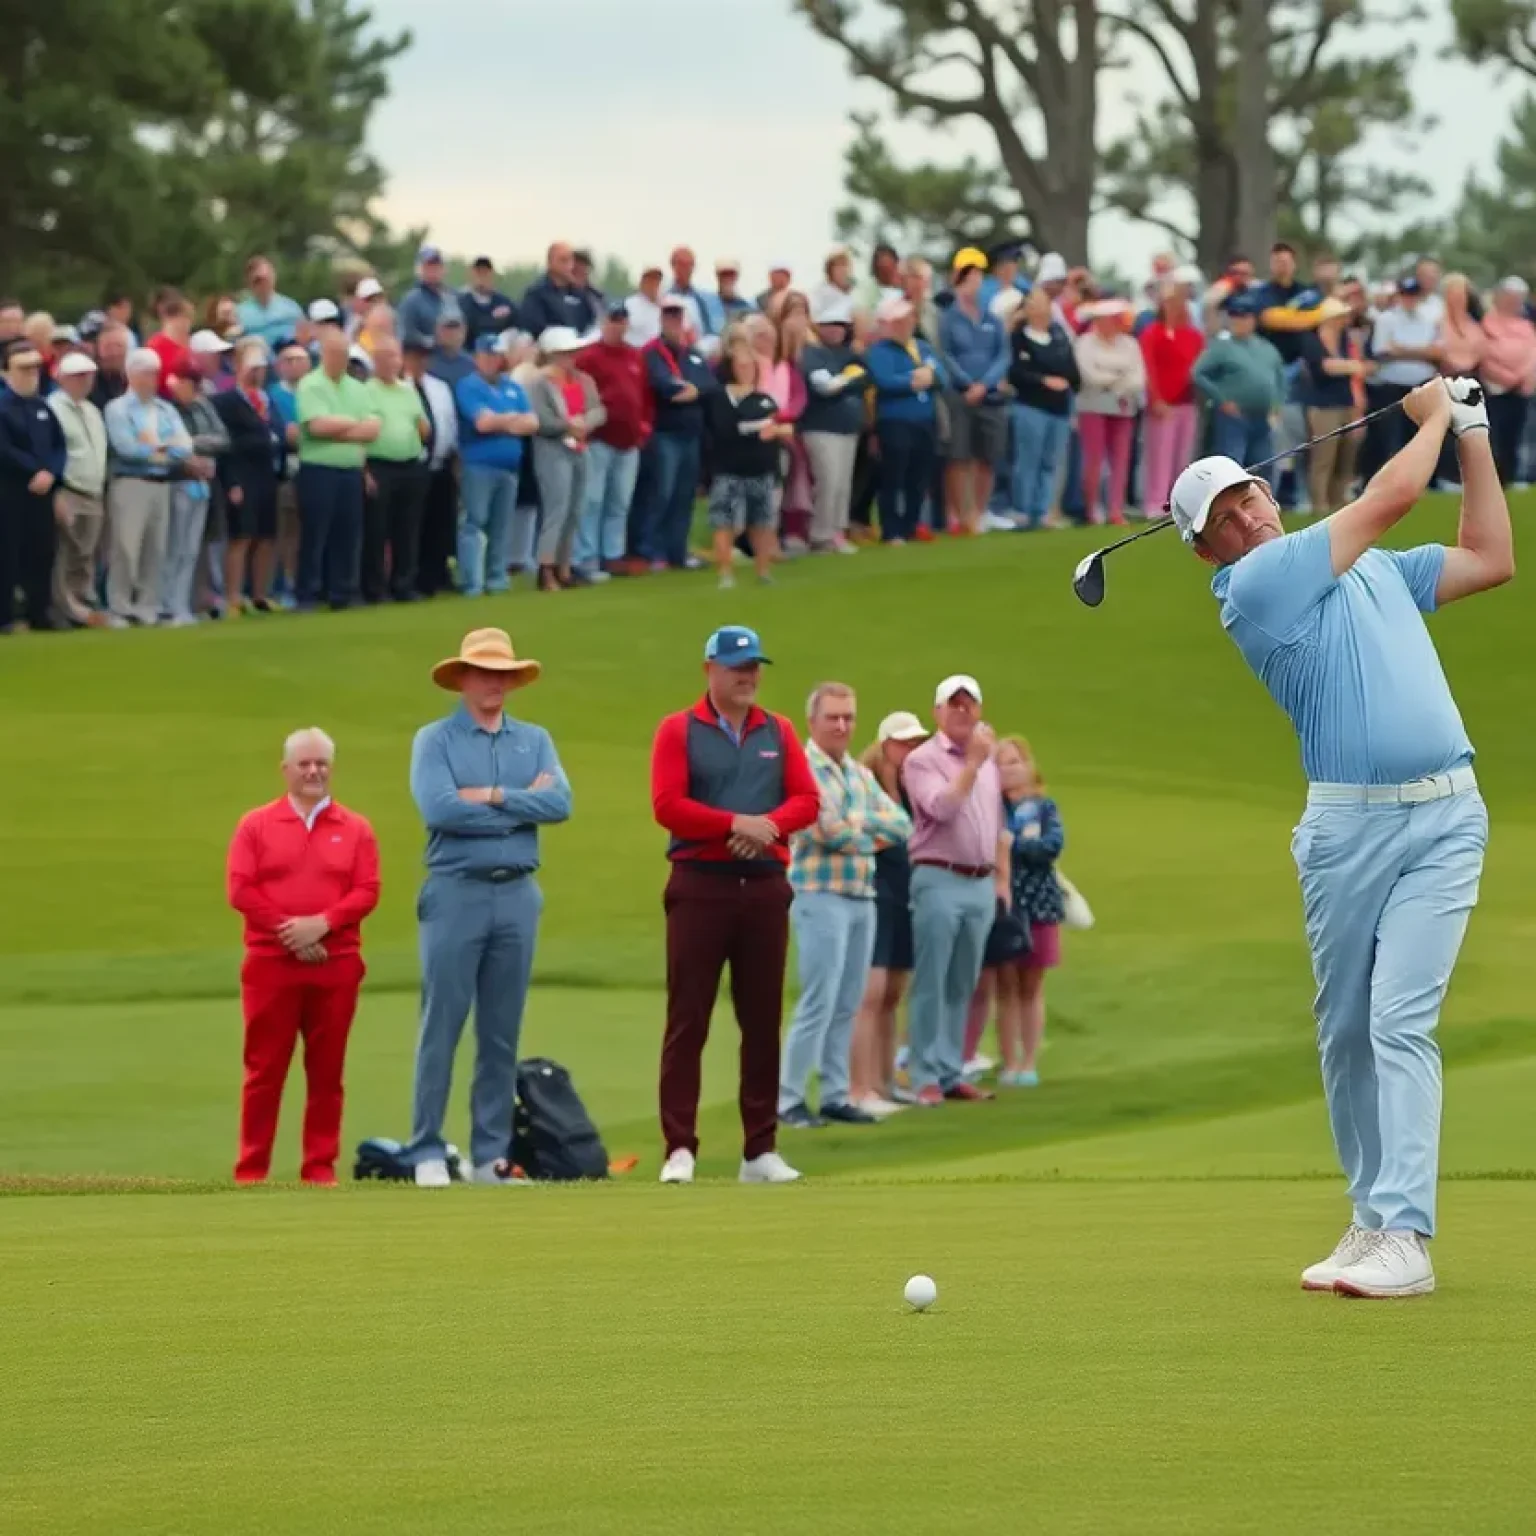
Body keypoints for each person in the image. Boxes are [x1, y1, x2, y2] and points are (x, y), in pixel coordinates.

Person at [1167, 374, 1511, 1298]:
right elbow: (1391, 494)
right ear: (1206, 551)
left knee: (1398, 1017)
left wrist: (1471, 430)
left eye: (1249, 493)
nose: (1248, 515)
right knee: (1348, 1029)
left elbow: (1490, 555)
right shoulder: (1254, 587)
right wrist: (1435, 413)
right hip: (1346, 826)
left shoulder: (1374, 571)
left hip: (1446, 817)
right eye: (1225, 515)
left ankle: (1403, 1232)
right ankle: (1371, 1217)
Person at [649, 626, 821, 1186]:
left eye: (753, 667)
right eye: (735, 667)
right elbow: (668, 804)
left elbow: (807, 799)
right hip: (700, 883)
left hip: (765, 884)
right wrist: (733, 825)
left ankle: (759, 1150)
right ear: (710, 670)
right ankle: (679, 1147)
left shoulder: (780, 731)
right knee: (688, 1019)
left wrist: (766, 826)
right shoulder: (679, 729)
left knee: (762, 1019)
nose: (747, 676)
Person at [407, 629, 573, 1186]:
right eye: (483, 672)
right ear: (462, 679)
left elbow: (561, 803)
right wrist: (524, 804)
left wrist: (495, 796)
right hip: (457, 890)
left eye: (502, 673)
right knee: (442, 1024)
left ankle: (490, 1155)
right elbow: (440, 810)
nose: (494, 683)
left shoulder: (535, 740)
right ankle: (427, 1146)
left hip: (518, 893)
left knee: (502, 1031)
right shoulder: (436, 740)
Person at [225, 728, 381, 1185]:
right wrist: (291, 931)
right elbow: (241, 889)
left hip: (336, 963)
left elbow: (367, 890)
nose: (314, 771)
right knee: (263, 1070)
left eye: (322, 763)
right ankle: (251, 1170)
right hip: (271, 964)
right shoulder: (256, 824)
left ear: (332, 767)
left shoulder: (355, 828)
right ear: (286, 770)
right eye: (304, 764)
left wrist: (324, 923)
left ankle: (319, 1168)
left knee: (327, 1071)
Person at [779, 683, 913, 1128]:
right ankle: (789, 1098)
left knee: (848, 999)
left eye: (848, 717)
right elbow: (825, 828)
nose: (841, 725)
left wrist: (857, 827)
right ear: (813, 722)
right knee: (819, 997)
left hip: (861, 894)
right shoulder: (802, 767)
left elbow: (900, 823)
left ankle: (836, 1092)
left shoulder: (857, 772)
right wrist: (862, 832)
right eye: (833, 717)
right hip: (819, 893)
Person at [901, 675, 1011, 1106]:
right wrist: (971, 765)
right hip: (938, 875)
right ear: (938, 712)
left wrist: (1001, 877)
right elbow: (941, 808)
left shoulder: (988, 760)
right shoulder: (922, 760)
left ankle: (950, 1070)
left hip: (979, 881)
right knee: (932, 978)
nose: (962, 711)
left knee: (963, 981)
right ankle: (924, 1073)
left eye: (969, 704)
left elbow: (996, 822)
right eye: (954, 704)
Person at [964, 737, 1066, 1086]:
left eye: (1014, 761)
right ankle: (1009, 1062)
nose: (1009, 769)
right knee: (1005, 984)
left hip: (1039, 901)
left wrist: (1014, 845)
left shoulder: (1044, 807)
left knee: (1032, 985)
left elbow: (1052, 845)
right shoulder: (991, 806)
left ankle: (1029, 1061)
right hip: (1004, 904)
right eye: (1001, 763)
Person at [849, 712, 929, 1113]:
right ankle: (858, 1088)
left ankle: (884, 1084)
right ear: (885, 744)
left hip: (904, 894)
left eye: (916, 742)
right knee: (871, 992)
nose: (911, 749)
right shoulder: (866, 783)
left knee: (893, 993)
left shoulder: (914, 789)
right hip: (873, 890)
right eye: (903, 742)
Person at [103, 348, 192, 627]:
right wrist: (163, 448)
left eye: (154, 373)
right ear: (130, 374)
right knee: (126, 547)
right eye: (144, 373)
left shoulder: (165, 408)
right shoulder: (117, 408)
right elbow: (127, 448)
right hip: (131, 483)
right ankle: (120, 606)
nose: (151, 379)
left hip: (161, 483)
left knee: (156, 548)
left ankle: (147, 606)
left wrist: (154, 447)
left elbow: (185, 446)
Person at [293, 327, 377, 611]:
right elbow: (316, 426)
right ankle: (308, 593)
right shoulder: (310, 384)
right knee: (316, 534)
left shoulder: (358, 387)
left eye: (344, 354)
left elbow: (373, 429)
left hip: (350, 470)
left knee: (348, 534)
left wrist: (338, 427)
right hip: (319, 469)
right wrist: (353, 425)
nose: (340, 359)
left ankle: (342, 592)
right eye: (334, 353)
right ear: (323, 354)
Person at [454, 333, 540, 597]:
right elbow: (482, 423)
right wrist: (512, 419)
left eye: (496, 355)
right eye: (487, 355)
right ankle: (472, 582)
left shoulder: (512, 386)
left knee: (501, 526)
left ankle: (496, 578)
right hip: (479, 464)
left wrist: (501, 420)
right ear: (477, 357)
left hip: (509, 466)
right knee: (474, 521)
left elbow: (532, 423)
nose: (492, 360)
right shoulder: (468, 385)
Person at [705, 328, 788, 589]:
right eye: (742, 365)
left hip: (760, 468)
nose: (747, 369)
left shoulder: (763, 400)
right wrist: (757, 428)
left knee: (761, 522)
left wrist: (772, 430)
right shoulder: (718, 397)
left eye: (751, 365)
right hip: (727, 468)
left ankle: (763, 571)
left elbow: (776, 428)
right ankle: (725, 573)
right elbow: (725, 428)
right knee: (723, 521)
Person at [638, 295, 716, 569]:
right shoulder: (652, 352)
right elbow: (663, 385)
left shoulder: (692, 353)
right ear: (661, 320)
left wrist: (690, 390)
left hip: (690, 434)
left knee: (684, 495)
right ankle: (652, 551)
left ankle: (677, 552)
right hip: (665, 433)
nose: (674, 322)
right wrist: (688, 389)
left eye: (678, 317)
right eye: (669, 316)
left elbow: (708, 383)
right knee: (662, 493)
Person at [575, 302, 651, 581]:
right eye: (612, 320)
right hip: (600, 438)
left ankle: (613, 555)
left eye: (621, 320)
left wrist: (644, 427)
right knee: (593, 499)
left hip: (629, 441)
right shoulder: (589, 357)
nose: (617, 325)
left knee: (619, 501)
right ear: (603, 322)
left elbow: (644, 396)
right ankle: (587, 557)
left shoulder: (635, 356)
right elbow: (580, 394)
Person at [528, 326, 607, 591]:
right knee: (556, 509)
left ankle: (564, 567)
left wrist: (586, 423)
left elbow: (598, 408)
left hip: (580, 447)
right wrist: (567, 426)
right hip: (552, 449)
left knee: (575, 509)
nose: (572, 358)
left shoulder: (584, 380)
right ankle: (546, 568)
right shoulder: (540, 383)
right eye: (566, 353)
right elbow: (541, 420)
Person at [939, 255, 1010, 536]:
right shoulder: (949, 318)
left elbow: (1003, 355)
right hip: (959, 395)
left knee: (986, 456)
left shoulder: (992, 318)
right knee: (959, 456)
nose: (973, 286)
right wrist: (967, 383)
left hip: (989, 395)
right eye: (967, 280)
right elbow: (945, 354)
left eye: (978, 280)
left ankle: (980, 513)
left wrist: (986, 383)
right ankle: (961, 513)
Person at [0, 341, 68, 634]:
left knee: (42, 551)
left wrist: (52, 472)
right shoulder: (3, 407)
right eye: (23, 369)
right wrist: (34, 470)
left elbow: (59, 445)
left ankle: (40, 612)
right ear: (5, 372)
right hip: (11, 490)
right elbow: (5, 449)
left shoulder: (43, 407)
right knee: (8, 553)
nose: (32, 375)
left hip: (42, 492)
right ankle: (5, 617)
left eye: (35, 368)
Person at [214, 338, 285, 614]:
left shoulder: (267, 400)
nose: (258, 373)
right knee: (241, 536)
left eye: (261, 367)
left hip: (268, 472)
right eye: (252, 367)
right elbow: (226, 445)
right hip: (242, 474)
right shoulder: (226, 401)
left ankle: (260, 594)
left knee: (266, 535)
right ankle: (233, 596)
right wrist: (231, 481)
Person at [866, 295, 945, 543]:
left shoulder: (923, 347)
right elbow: (884, 380)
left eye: (909, 318)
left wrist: (931, 378)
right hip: (895, 420)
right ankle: (891, 529)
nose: (906, 324)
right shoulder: (879, 351)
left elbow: (942, 375)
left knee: (919, 475)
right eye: (899, 320)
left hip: (925, 420)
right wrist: (915, 379)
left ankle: (911, 525)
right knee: (894, 475)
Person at [359, 335, 430, 604]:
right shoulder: (366, 391)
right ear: (375, 361)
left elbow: (423, 427)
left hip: (410, 464)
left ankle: (404, 583)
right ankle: (375, 587)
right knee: (377, 530)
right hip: (379, 465)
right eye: (385, 357)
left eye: (395, 356)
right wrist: (364, 471)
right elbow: (361, 435)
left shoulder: (407, 390)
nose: (391, 362)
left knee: (407, 528)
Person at [1006, 285, 1080, 530]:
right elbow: (1016, 372)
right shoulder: (1019, 337)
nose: (1039, 308)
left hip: (1058, 408)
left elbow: (1070, 368)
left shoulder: (1059, 336)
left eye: (1043, 303)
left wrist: (1067, 382)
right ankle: (1023, 511)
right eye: (1033, 303)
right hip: (1031, 405)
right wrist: (1043, 380)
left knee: (1051, 462)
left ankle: (1044, 510)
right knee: (1028, 460)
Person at [799, 294, 868, 554]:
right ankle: (820, 534)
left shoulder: (850, 354)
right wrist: (847, 380)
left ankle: (836, 532)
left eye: (841, 325)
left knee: (841, 483)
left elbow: (863, 377)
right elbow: (823, 387)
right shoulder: (812, 353)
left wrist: (843, 381)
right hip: (821, 427)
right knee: (827, 480)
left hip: (848, 427)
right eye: (831, 325)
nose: (836, 330)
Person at [1192, 291, 1288, 474]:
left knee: (1265, 464)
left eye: (1244, 316)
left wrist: (1277, 404)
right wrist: (1221, 400)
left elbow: (1280, 378)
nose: (1239, 321)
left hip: (1263, 417)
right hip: (1234, 416)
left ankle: (1263, 501)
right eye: (1234, 316)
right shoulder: (1222, 346)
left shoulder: (1267, 348)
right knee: (1231, 464)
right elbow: (1199, 374)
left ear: (1253, 319)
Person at [46, 352, 109, 627]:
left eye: (88, 376)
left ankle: (80, 604)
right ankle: (65, 609)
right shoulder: (53, 408)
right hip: (69, 489)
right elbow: (52, 453)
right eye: (78, 376)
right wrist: (57, 491)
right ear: (63, 378)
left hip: (93, 490)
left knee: (86, 553)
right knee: (66, 552)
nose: (85, 381)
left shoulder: (92, 410)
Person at [162, 370, 228, 625]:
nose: (188, 389)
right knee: (175, 546)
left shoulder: (203, 407)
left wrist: (193, 444)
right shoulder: (168, 410)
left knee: (190, 548)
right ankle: (168, 605)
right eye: (183, 383)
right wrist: (191, 453)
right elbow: (169, 443)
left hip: (202, 483)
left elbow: (223, 439)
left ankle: (181, 605)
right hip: (179, 481)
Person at [1073, 298, 1146, 524]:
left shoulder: (1129, 344)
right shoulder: (1085, 343)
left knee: (1121, 460)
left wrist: (1118, 384)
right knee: (1094, 459)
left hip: (1122, 406)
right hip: (1093, 406)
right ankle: (1092, 508)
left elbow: (1138, 377)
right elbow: (1089, 375)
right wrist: (1117, 378)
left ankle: (1115, 508)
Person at [1298, 298, 1373, 516]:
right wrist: (1354, 366)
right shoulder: (1312, 340)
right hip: (1322, 407)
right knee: (1324, 458)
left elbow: (1357, 367)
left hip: (1346, 403)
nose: (1345, 320)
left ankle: (1338, 503)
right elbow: (1325, 368)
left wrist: (1351, 367)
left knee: (1346, 456)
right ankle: (1319, 506)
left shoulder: (1345, 340)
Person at [1138, 280, 1205, 518]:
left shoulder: (1194, 335)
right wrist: (1155, 399)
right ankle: (1155, 503)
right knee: (1160, 457)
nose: (1174, 306)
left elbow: (1200, 367)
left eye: (1177, 301)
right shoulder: (1152, 333)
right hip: (1164, 404)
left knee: (1183, 458)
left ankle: (1180, 504)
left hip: (1188, 403)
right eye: (1169, 301)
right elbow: (1148, 368)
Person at [1479, 276, 1536, 485]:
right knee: (1494, 435)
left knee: (1517, 433)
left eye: (1518, 298)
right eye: (1510, 297)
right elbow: (1484, 353)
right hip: (1495, 389)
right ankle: (1490, 480)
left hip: (1521, 389)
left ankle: (1512, 477)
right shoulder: (1486, 322)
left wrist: (1520, 376)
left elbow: (1532, 354)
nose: (1514, 302)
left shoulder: (1526, 325)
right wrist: (1506, 376)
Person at [397, 245, 464, 350]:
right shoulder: (411, 300)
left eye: (437, 266)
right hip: (425, 359)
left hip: (455, 357)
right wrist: (434, 342)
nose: (433, 270)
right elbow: (405, 335)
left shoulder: (454, 296)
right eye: (428, 266)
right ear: (419, 270)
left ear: (444, 269)